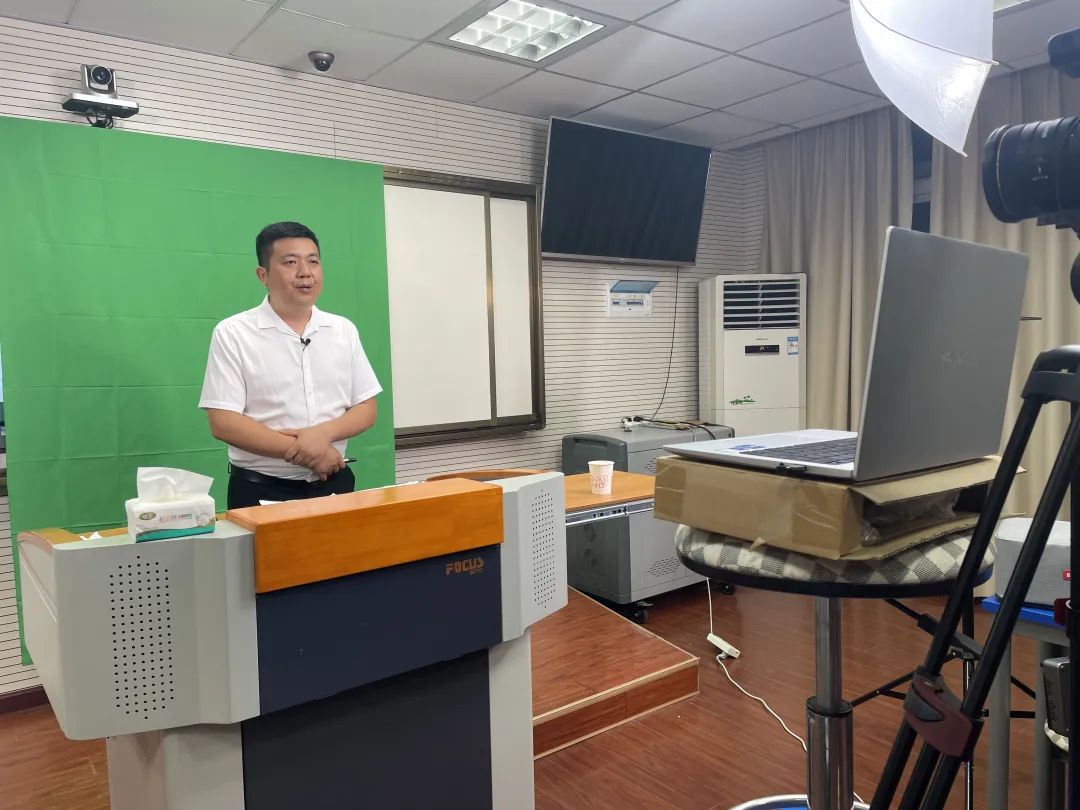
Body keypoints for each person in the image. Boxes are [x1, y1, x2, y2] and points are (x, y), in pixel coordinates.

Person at [199, 221, 381, 509]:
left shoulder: (343, 330)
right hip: (261, 490)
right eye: (290, 262)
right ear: (263, 275)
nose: (305, 272)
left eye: (313, 261)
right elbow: (224, 423)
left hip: (335, 484)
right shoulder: (233, 333)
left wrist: (322, 435)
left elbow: (366, 407)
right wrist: (311, 452)